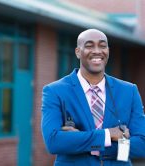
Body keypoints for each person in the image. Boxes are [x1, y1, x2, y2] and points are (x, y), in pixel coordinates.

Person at [41, 29, 145, 166]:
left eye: (102, 46)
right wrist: (108, 135)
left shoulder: (129, 91)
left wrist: (88, 145)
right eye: (89, 46)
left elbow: (142, 144)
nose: (97, 51)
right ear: (78, 52)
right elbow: (54, 142)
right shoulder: (55, 91)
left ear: (108, 51)